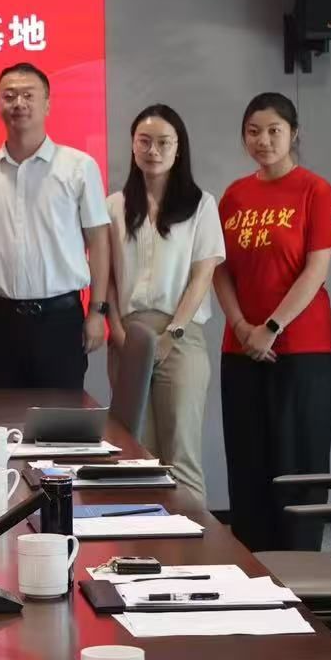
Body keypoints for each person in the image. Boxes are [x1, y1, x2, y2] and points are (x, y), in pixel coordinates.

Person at [211, 93, 331, 552]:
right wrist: (241, 326)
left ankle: (301, 568)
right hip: (241, 349)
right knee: (248, 463)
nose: (263, 140)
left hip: (301, 349)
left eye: (274, 131)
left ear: (294, 134)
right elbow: (219, 268)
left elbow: (316, 270)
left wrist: (270, 328)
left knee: (298, 463)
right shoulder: (234, 196)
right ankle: (252, 565)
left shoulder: (315, 190)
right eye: (253, 132)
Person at [0, 62, 112, 391]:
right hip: (0, 320)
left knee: (59, 417)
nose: (19, 103)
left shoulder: (78, 167)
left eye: (28, 95)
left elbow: (99, 242)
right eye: (9, 96)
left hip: (60, 320)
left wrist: (97, 312)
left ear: (47, 104)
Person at [105, 105, 224, 505]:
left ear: (178, 148)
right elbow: (106, 277)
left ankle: (196, 540)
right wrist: (116, 331)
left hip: (181, 335)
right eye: (144, 141)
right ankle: (144, 538)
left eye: (163, 142)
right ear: (133, 146)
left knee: (181, 452)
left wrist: (173, 333)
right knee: (135, 453)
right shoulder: (114, 206)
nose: (153, 150)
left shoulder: (201, 205)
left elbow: (203, 275)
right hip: (128, 336)